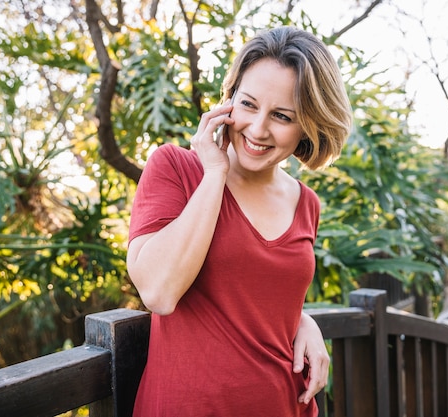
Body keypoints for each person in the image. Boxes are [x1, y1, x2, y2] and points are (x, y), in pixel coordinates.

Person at [126, 26, 352, 417]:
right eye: (248, 104)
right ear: (228, 99)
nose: (258, 129)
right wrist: (213, 174)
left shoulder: (306, 204)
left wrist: (302, 321)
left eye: (282, 116)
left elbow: (258, 297)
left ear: (308, 127)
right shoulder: (176, 168)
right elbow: (159, 293)